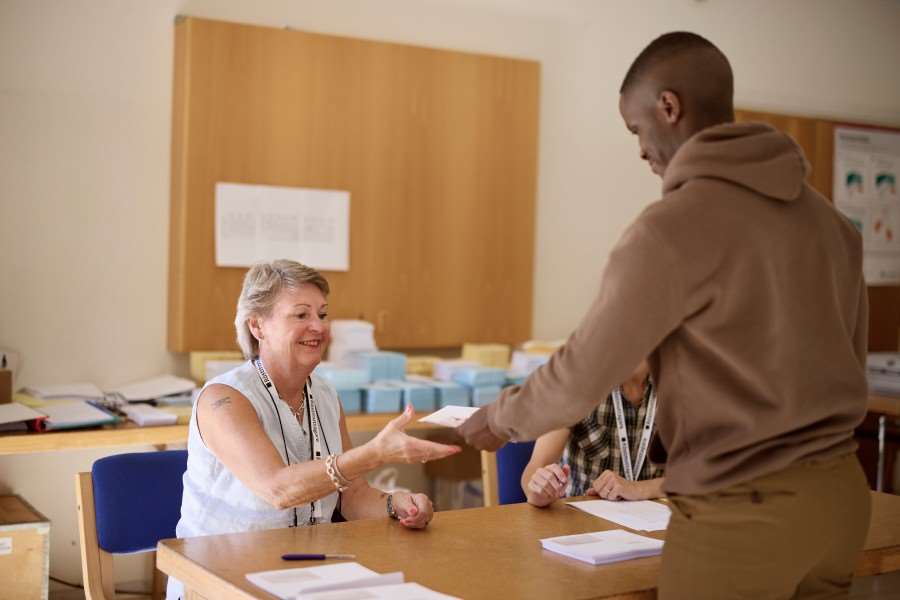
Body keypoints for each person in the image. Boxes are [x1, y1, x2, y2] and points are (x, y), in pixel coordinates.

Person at [459, 31, 870, 599]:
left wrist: (497, 422)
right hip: (841, 501)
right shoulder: (831, 225)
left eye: (636, 129)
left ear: (668, 107)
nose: (641, 151)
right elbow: (854, 357)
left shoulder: (674, 226)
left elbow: (584, 368)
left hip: (742, 511)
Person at [167, 260, 459, 600]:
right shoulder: (223, 399)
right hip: (219, 580)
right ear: (258, 325)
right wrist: (373, 453)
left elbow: (352, 496)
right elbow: (278, 489)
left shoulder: (325, 394)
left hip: (305, 573)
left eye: (322, 314)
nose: (318, 327)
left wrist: (399, 505)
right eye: (301, 315)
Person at [522, 361, 664, 506]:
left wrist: (639, 489)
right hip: (583, 517)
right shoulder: (575, 385)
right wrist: (538, 492)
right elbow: (536, 466)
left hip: (659, 517)